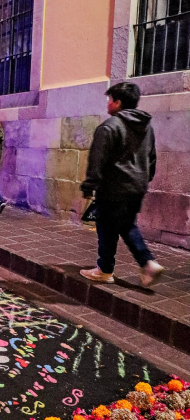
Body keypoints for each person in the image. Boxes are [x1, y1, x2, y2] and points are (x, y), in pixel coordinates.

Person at [79, 81, 163, 288]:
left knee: (107, 227)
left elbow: (97, 160)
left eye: (110, 99)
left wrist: (89, 185)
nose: (108, 103)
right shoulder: (146, 127)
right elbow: (151, 157)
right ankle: (143, 263)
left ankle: (108, 269)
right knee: (125, 224)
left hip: (113, 187)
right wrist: (145, 178)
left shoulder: (109, 127)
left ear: (117, 102)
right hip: (137, 186)